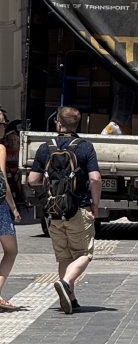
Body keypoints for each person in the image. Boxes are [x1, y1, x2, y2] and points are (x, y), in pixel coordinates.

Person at [28, 106, 101, 314]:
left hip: (53, 210)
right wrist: (95, 204)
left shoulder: (45, 148)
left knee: (64, 256)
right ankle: (66, 283)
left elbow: (32, 180)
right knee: (84, 254)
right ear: (76, 124)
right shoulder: (85, 147)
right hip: (78, 208)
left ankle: (70, 298)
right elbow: (95, 178)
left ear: (59, 123)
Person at [0, 121, 21, 311]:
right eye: (1, 123)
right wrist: (13, 208)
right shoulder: (0, 148)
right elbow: (2, 179)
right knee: (11, 250)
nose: (3, 127)